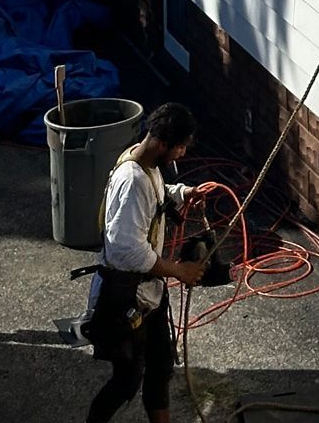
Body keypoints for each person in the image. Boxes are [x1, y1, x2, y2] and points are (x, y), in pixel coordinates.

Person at [84, 101, 205, 423]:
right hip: (127, 297)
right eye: (180, 148)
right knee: (126, 382)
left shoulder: (143, 159)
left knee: (160, 369)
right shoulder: (132, 179)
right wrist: (180, 271)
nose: (182, 155)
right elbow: (127, 251)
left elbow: (153, 191)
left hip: (149, 294)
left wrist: (180, 193)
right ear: (163, 143)